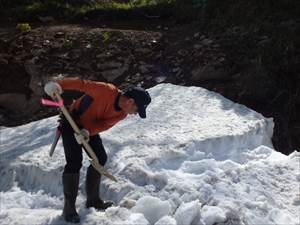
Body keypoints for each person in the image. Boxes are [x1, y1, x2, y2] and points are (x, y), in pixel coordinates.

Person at [44, 77, 151, 223]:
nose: (135, 113)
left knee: (100, 158)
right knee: (74, 162)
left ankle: (93, 200)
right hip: (70, 121)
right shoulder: (106, 90)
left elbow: (104, 124)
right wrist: (58, 85)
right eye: (137, 109)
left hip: (87, 130)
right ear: (130, 101)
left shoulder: (121, 114)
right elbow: (81, 84)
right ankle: (69, 209)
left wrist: (88, 132)